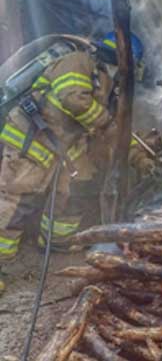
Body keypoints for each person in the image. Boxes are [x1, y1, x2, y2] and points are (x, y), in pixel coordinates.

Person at [0, 32, 145, 294]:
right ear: (123, 59)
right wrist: (105, 123)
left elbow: (116, 132)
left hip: (63, 145)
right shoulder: (79, 61)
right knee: (17, 203)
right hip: (32, 139)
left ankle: (55, 241)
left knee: (80, 185)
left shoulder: (104, 81)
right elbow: (72, 99)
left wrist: (138, 156)